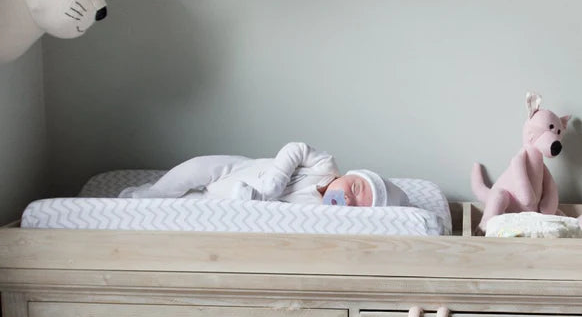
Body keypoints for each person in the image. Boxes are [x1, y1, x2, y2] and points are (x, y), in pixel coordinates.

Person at [119, 141, 409, 208]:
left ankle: (158, 204)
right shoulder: (326, 167)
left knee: (194, 202)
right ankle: (148, 195)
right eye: (356, 188)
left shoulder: (320, 212)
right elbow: (295, 148)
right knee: (193, 170)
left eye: (357, 206)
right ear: (350, 175)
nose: (349, 197)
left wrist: (258, 200)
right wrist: (275, 182)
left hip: (237, 195)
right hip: (237, 169)